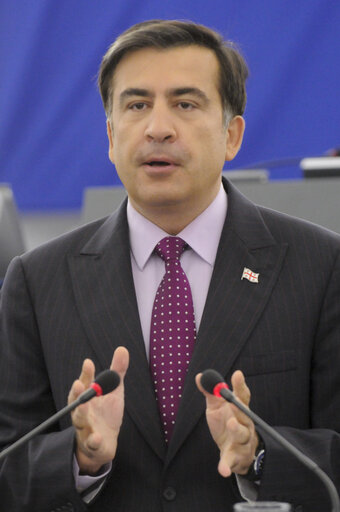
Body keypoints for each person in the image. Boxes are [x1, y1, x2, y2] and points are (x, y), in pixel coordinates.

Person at [0, 19, 339, 512]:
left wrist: (259, 455)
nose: (158, 128)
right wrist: (79, 458)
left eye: (185, 104)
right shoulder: (36, 281)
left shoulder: (321, 268)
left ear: (232, 135)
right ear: (112, 135)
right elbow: (8, 467)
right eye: (137, 105)